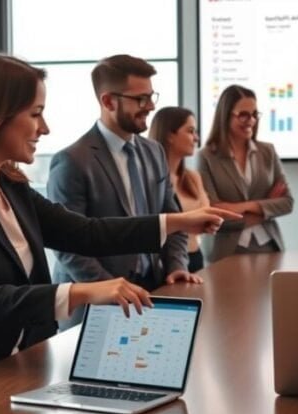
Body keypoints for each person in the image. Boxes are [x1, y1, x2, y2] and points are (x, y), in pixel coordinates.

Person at [0, 51, 238, 391]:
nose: (44, 128)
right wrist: (86, 291)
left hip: (11, 371)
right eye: (34, 113)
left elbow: (85, 232)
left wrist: (176, 222)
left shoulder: (6, 184)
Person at [48, 55, 194, 330]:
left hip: (152, 294)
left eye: (151, 97)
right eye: (140, 99)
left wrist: (176, 266)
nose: (150, 106)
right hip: (95, 307)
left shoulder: (154, 152)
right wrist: (111, 291)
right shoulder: (71, 161)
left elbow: (173, 217)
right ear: (108, 101)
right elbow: (67, 246)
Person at [197, 84, 294, 263]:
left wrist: (239, 207)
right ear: (225, 116)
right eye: (243, 115)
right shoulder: (207, 157)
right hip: (226, 251)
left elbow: (287, 202)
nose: (251, 120)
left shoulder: (267, 152)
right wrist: (263, 209)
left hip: (270, 246)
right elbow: (212, 214)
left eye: (254, 114)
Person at [149, 106, 210, 273]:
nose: (196, 138)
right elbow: (152, 226)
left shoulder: (192, 177)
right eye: (190, 131)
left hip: (195, 256)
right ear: (170, 135)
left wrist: (180, 223)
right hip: (164, 263)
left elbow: (208, 220)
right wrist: (190, 223)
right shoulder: (150, 179)